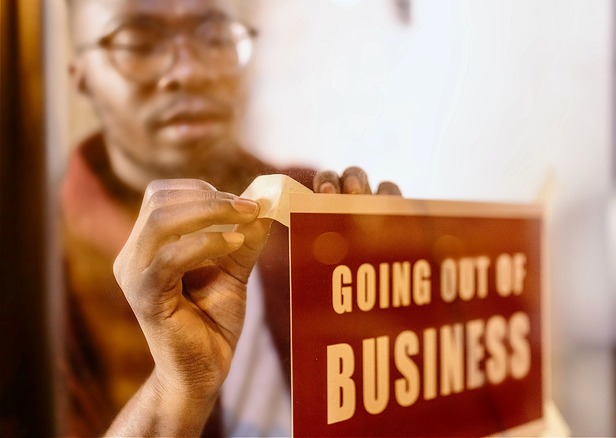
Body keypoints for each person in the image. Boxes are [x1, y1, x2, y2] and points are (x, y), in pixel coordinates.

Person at [61, 0, 400, 435]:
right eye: (139, 42)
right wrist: (176, 391)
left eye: (215, 35)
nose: (189, 71)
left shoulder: (314, 203)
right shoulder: (33, 272)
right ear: (81, 78)